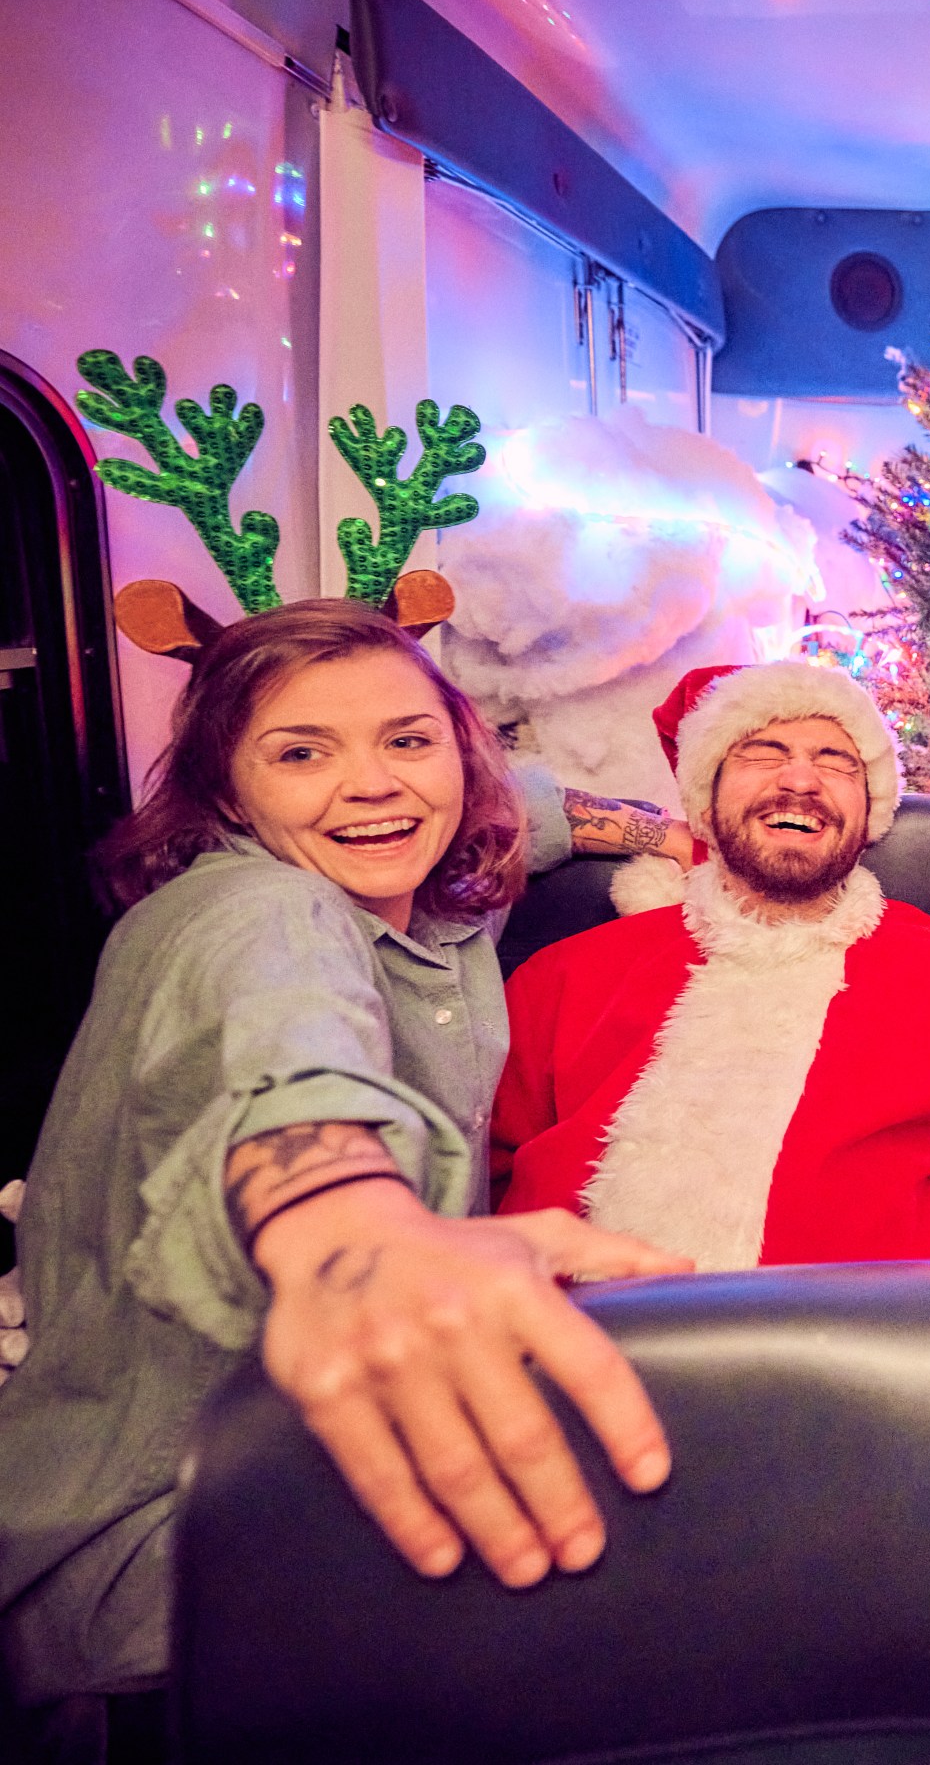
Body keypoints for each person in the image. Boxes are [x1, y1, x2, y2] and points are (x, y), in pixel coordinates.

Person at [0, 603, 692, 1760]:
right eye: (300, 753)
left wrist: (672, 834)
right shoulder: (250, 912)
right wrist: (347, 1226)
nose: (371, 785)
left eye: (408, 741)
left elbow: (530, 806)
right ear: (227, 791)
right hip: (144, 1536)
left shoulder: (439, 881)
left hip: (288, 1469)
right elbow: (288, 1045)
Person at [492, 661, 930, 1356]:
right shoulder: (568, 977)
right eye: (763, 752)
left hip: (872, 1387)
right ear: (708, 795)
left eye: (835, 760)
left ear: (870, 806)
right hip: (567, 1377)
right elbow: (471, 1175)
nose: (800, 779)